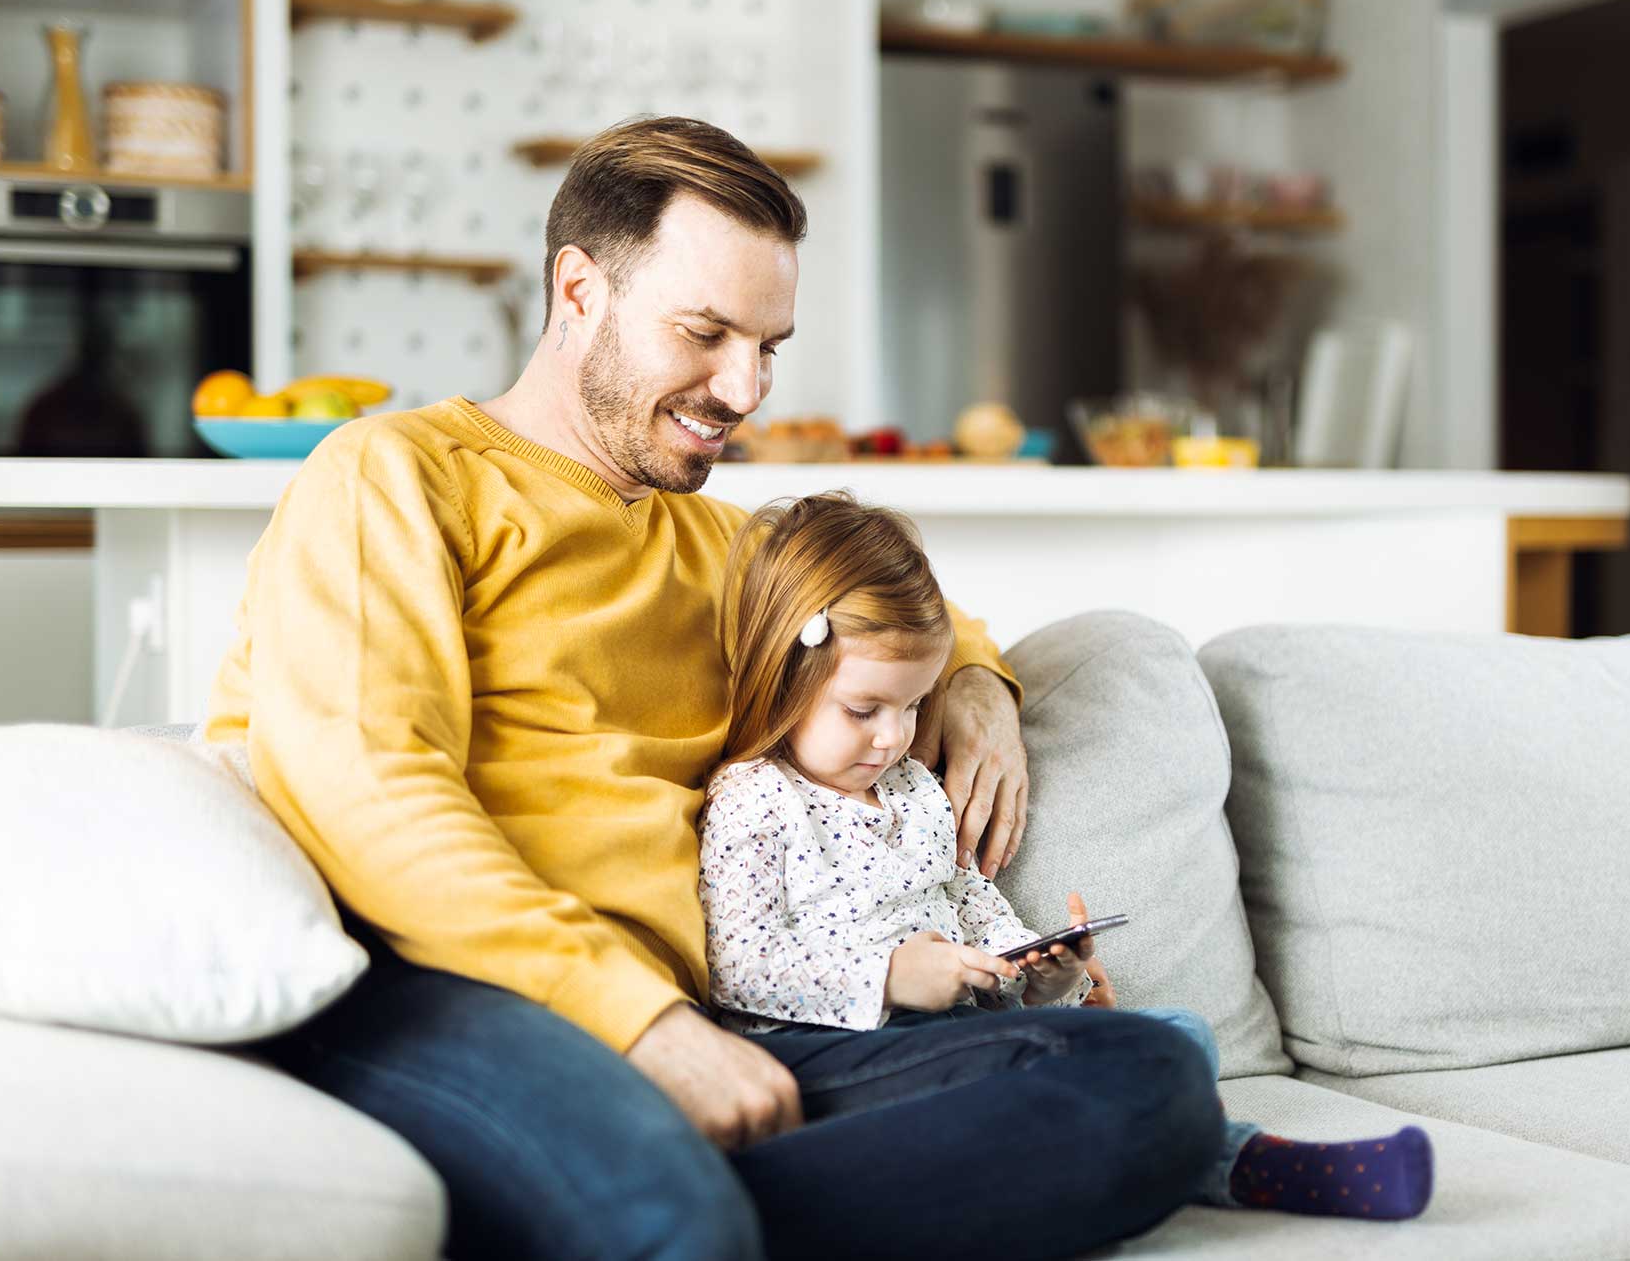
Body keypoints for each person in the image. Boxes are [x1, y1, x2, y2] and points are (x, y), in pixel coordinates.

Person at [204, 116, 1224, 1260]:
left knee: (1151, 1076)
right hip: (442, 988)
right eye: (705, 333)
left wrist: (983, 683)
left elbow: (892, 612)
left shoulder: (717, 545)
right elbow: (366, 791)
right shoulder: (392, 478)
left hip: (717, 1014)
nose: (743, 386)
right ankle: (676, 1221)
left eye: (768, 345)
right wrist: (636, 1023)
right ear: (578, 290)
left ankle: (675, 1225)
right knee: (671, 1218)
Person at [701, 491, 1435, 1223]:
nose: (894, 736)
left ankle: (1209, 1154)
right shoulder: (755, 798)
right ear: (785, 674)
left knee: (1179, 1033)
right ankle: (1245, 1163)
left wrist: (1035, 966)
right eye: (865, 710)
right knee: (1146, 1063)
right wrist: (893, 976)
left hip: (961, 1034)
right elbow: (740, 968)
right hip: (837, 1049)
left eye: (916, 704)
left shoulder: (916, 791)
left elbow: (969, 898)